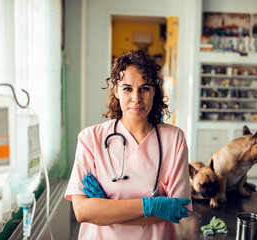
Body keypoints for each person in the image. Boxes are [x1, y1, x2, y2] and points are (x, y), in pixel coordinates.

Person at [64, 50, 192, 239]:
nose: (136, 98)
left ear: (154, 91)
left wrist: (105, 209)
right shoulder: (90, 138)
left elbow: (177, 209)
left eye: (144, 88)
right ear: (116, 90)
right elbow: (82, 212)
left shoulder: (174, 139)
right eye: (127, 88)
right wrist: (150, 206)